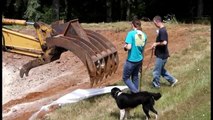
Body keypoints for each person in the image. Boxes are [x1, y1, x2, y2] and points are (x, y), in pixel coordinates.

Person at [151, 15, 178, 88]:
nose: (154, 24)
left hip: (161, 55)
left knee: (156, 71)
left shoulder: (162, 31)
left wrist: (155, 44)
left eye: (154, 23)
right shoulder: (161, 30)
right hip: (163, 54)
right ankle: (173, 80)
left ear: (157, 22)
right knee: (161, 70)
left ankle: (156, 85)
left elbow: (164, 42)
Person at [123, 18, 147, 93]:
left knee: (125, 78)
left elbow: (129, 47)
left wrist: (125, 46)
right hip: (139, 59)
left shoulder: (131, 34)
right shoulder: (144, 35)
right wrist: (142, 61)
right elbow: (143, 50)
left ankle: (136, 93)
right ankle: (135, 96)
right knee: (135, 77)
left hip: (131, 60)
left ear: (133, 25)